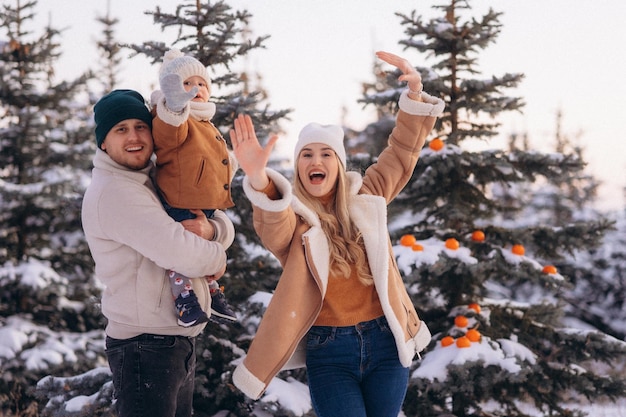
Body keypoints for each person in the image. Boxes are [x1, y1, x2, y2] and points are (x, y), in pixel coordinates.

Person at [230, 51, 444, 417]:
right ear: (297, 166)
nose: (316, 162)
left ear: (339, 164)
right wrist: (259, 180)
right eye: (307, 155)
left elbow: (402, 152)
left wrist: (414, 96)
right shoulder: (293, 216)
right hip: (329, 351)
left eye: (326, 154)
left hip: (386, 341)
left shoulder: (367, 197)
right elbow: (272, 227)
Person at [81, 89, 235, 417]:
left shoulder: (151, 179)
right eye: (120, 129)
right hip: (144, 349)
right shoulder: (115, 192)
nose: (134, 137)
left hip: (172, 343)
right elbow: (184, 254)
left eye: (140, 126)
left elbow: (217, 217)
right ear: (103, 141)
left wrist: (211, 232)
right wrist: (218, 257)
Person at [151, 48, 237, 326]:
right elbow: (168, 135)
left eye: (201, 83)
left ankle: (212, 292)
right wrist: (174, 105)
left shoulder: (206, 121)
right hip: (179, 200)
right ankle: (185, 299)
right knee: (180, 255)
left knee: (199, 249)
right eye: (187, 83)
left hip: (203, 203)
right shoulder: (178, 118)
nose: (196, 89)